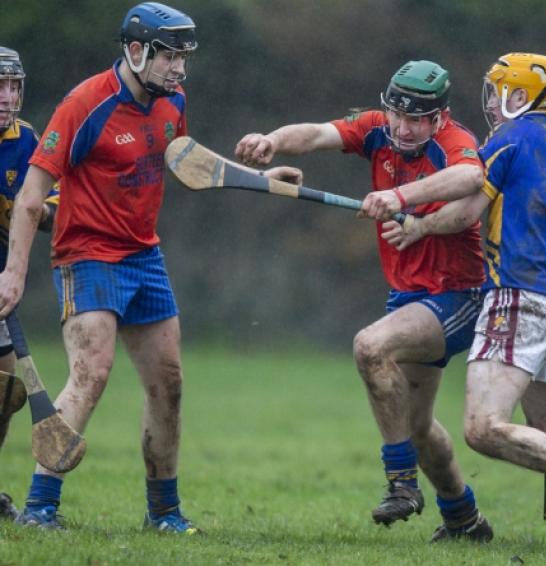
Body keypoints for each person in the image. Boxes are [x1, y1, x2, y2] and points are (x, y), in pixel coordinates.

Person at [0, 3, 300, 532]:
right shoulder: (84, 105)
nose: (179, 69)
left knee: (170, 383)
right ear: (136, 52)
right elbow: (29, 198)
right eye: (169, 56)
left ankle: (164, 512)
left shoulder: (173, 101)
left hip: (145, 256)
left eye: (184, 57)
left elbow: (188, 160)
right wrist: (15, 274)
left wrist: (264, 178)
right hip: (87, 255)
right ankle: (40, 508)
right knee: (92, 374)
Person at [383, 53, 546, 549]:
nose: (492, 102)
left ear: (519, 96)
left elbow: (467, 210)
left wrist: (415, 221)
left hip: (517, 295)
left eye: (499, 90)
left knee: (483, 427)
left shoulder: (510, 138)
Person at [236, 60, 494, 542]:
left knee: (369, 346)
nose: (401, 126)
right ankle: (465, 519)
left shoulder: (453, 143)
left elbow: (470, 178)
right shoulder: (378, 131)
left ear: (440, 117)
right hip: (410, 294)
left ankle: (401, 484)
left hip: (458, 292)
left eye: (415, 118)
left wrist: (399, 196)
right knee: (416, 426)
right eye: (395, 113)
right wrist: (272, 140)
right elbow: (315, 134)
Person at [0, 45, 59, 522]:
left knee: (4, 387)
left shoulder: (27, 141)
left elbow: (50, 204)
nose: (6, 96)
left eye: (12, 85)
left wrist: (44, 211)